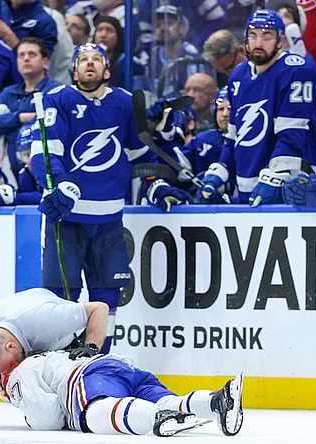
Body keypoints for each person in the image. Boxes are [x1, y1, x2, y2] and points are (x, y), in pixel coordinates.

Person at [31, 43, 186, 354]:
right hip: (67, 217)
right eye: (83, 60)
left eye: (96, 60)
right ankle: (60, 364)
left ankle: (99, 359)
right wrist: (58, 185)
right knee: (62, 298)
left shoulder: (125, 103)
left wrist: (155, 181)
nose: (89, 65)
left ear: (107, 70)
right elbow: (45, 152)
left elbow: (140, 152)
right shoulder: (56, 100)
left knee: (108, 297)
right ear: (73, 70)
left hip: (109, 221)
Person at [200, 10, 316, 206]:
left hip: (295, 188)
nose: (258, 43)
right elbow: (233, 139)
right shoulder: (238, 75)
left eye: (267, 36)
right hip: (248, 188)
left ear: (280, 41)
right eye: (253, 35)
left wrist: (274, 176)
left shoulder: (296, 70)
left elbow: (292, 136)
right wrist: (219, 172)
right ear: (245, 41)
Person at [0, 351, 244, 437]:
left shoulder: (16, 374)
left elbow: (46, 417)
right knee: (168, 400)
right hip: (120, 366)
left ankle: (154, 418)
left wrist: (29, 419)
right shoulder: (50, 354)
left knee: (92, 412)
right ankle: (216, 401)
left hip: (90, 375)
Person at [0, 287, 108, 376]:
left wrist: (91, 347)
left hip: (68, 344)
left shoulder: (48, 322)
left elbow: (99, 308)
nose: (8, 373)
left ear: (11, 346)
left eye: (8, 368)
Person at [0, 37, 60, 181]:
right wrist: (20, 118)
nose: (26, 58)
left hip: (41, 166)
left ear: (45, 62)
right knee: (0, 110)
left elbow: (53, 127)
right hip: (7, 167)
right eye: (21, 55)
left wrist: (8, 125)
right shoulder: (8, 93)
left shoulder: (56, 91)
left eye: (32, 54)